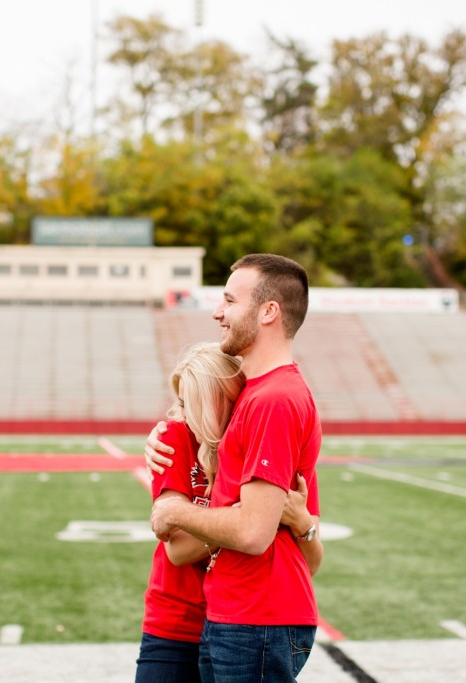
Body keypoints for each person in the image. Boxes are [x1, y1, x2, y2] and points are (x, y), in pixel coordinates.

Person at [149, 253, 322, 683]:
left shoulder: (274, 399)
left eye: (229, 300)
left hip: (255, 620)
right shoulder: (255, 396)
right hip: (235, 616)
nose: (217, 312)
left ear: (268, 311)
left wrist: (174, 513)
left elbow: (252, 532)